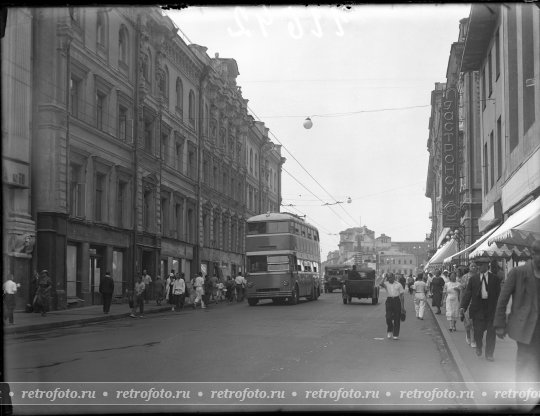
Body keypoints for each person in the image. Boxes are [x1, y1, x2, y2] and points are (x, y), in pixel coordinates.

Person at [494, 240, 540, 386]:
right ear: (533, 254)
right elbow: (503, 299)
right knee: (525, 365)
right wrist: (499, 324)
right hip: (525, 328)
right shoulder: (518, 273)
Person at [460, 257, 501, 361]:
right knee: (478, 332)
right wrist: (463, 307)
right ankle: (479, 346)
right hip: (478, 309)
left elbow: (499, 295)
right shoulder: (473, 279)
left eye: (481, 265)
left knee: (491, 333)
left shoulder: (495, 279)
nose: (479, 267)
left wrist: (501, 310)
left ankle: (489, 354)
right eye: (478, 265)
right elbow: (468, 294)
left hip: (491, 309)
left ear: (487, 265)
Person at [379, 272, 405, 340]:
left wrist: (402, 307)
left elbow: (402, 296)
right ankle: (390, 329)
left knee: (397, 318)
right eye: (388, 277)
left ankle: (395, 334)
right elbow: (380, 283)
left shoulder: (398, 284)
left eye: (391, 277)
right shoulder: (386, 283)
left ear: (394, 277)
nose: (390, 278)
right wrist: (384, 277)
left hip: (397, 301)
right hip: (389, 301)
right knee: (388, 317)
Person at [459, 262, 478, 348]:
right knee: (468, 322)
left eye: (475, 266)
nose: (473, 267)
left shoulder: (479, 276)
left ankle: (474, 340)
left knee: (475, 321)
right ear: (469, 267)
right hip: (467, 302)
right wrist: (462, 303)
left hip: (476, 301)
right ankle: (468, 335)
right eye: (472, 266)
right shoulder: (465, 277)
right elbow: (462, 291)